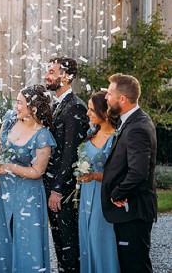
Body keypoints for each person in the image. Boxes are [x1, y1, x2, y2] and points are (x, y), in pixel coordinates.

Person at [0, 85, 55, 273]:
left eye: (20, 103)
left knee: (26, 241)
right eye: (16, 102)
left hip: (28, 194)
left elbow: (37, 171)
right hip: (4, 191)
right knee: (2, 239)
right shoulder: (9, 120)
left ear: (33, 107)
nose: (16, 106)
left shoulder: (42, 135)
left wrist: (10, 167)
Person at [102, 73, 157, 273]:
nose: (106, 97)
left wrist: (118, 194)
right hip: (129, 210)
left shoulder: (137, 127)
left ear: (122, 99)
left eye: (109, 94)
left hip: (133, 210)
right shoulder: (130, 120)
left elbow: (138, 171)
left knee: (135, 266)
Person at [43, 56, 89, 272]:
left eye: (52, 72)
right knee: (58, 241)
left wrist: (58, 190)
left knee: (69, 243)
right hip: (51, 184)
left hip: (65, 190)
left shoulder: (75, 108)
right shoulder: (54, 105)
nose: (47, 76)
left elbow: (70, 153)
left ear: (67, 77)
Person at [77, 91, 119, 273]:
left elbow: (118, 175)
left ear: (105, 112)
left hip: (104, 195)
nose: (88, 113)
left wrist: (94, 176)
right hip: (87, 193)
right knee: (86, 240)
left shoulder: (116, 139)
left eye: (92, 109)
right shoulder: (91, 132)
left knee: (101, 242)